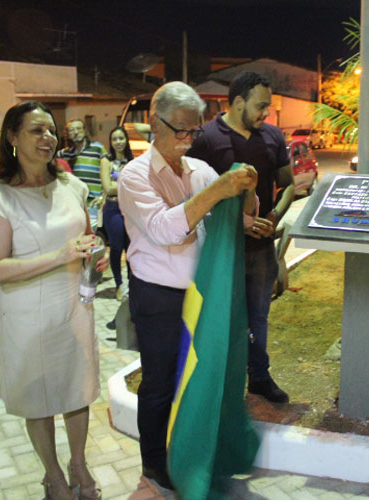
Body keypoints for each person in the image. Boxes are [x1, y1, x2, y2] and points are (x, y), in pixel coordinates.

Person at [118, 81, 258, 490]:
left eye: (193, 131)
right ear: (152, 123)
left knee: (200, 377)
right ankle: (154, 462)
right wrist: (219, 191)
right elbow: (165, 230)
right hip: (158, 294)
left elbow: (235, 220)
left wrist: (246, 195)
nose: (186, 139)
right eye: (179, 129)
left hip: (202, 295)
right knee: (160, 382)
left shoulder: (201, 171)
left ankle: (193, 452)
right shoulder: (134, 176)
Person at [0, 101, 109, 500]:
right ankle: (53, 475)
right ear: (13, 138)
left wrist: (95, 253)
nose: (48, 138)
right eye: (36, 130)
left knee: (77, 391)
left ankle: (78, 463)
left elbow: (86, 238)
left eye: (51, 131)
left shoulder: (72, 186)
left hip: (74, 306)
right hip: (26, 315)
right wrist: (60, 255)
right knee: (38, 399)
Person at [187, 71, 294, 404]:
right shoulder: (205, 138)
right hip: (222, 248)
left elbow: (289, 184)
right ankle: (222, 381)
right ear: (237, 102)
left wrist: (273, 217)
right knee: (222, 316)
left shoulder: (273, 137)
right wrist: (237, 223)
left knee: (259, 317)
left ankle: (259, 377)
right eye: (261, 106)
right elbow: (194, 197)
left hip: (262, 247)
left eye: (269, 108)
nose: (266, 114)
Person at [99, 126, 133, 308]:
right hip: (113, 207)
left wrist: (117, 183)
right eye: (114, 139)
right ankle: (120, 284)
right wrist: (125, 184)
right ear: (110, 142)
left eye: (121, 138)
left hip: (129, 207)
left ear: (126, 140)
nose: (118, 142)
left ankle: (131, 283)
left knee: (131, 247)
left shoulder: (132, 160)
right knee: (117, 246)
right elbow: (107, 188)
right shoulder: (106, 160)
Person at [56, 118, 107, 201]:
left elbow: (109, 173)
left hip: (95, 200)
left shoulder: (98, 148)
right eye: (71, 130)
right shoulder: (64, 154)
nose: (76, 132)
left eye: (79, 128)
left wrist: (103, 197)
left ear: (85, 131)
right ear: (67, 134)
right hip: (75, 200)